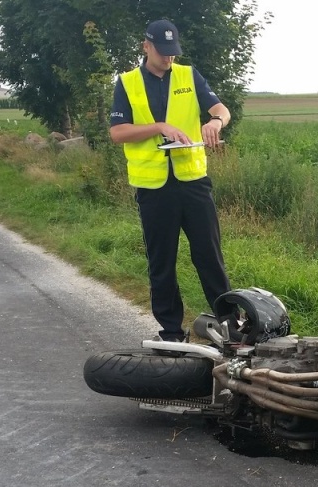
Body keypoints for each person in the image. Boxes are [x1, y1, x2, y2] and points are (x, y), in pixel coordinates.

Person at [109, 19, 232, 342]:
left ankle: (231, 324)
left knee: (209, 255)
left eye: (173, 52)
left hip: (193, 182)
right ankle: (172, 332)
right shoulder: (127, 82)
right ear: (146, 46)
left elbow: (221, 108)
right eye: (163, 52)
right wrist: (158, 126)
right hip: (153, 188)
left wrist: (216, 122)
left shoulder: (189, 75)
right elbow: (117, 133)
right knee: (161, 263)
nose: (168, 58)